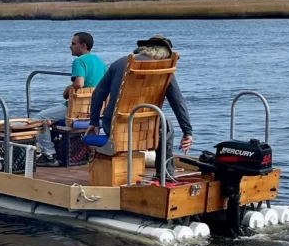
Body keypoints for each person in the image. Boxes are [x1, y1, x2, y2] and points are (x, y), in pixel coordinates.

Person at [84, 34, 193, 177]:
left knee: (162, 123)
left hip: (115, 127)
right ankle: (165, 174)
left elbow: (98, 93)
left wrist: (94, 121)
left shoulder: (119, 63)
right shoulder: (164, 69)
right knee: (166, 125)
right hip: (147, 131)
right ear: (165, 54)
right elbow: (178, 102)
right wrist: (187, 132)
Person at [34, 32, 107, 167]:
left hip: (75, 110)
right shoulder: (99, 61)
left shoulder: (79, 61)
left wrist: (68, 89)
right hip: (94, 111)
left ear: (83, 46)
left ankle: (49, 154)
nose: (70, 47)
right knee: (50, 117)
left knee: (40, 118)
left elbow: (79, 83)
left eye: (73, 44)